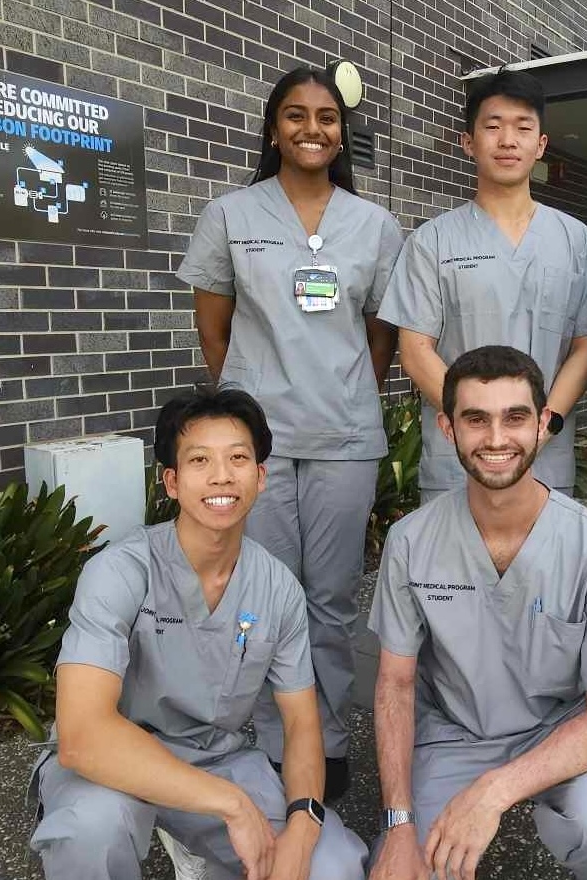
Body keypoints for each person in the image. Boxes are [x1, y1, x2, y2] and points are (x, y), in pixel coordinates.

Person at [176, 66, 405, 800]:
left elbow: (382, 335)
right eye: (297, 115)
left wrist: (347, 392)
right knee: (267, 594)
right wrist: (249, 405)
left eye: (327, 117)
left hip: (344, 438)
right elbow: (214, 332)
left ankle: (327, 739)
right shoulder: (231, 215)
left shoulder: (374, 226)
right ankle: (274, 740)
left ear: (342, 132)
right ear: (274, 129)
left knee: (331, 599)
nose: (313, 128)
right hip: (259, 443)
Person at [29, 387, 368, 880]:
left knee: (331, 866)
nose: (221, 475)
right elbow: (82, 737)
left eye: (238, 458)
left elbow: (301, 725)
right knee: (89, 830)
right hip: (115, 757)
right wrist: (231, 804)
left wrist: (304, 822)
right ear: (171, 482)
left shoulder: (278, 590)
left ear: (260, 477)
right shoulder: (120, 571)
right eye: (199, 460)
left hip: (214, 757)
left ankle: (205, 842)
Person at [368, 346, 587, 880]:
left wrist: (494, 791)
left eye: (515, 417)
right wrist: (399, 821)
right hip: (456, 731)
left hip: (565, 727)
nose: (497, 438)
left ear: (543, 424)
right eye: (476, 419)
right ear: (448, 428)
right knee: (407, 867)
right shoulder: (411, 542)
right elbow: (395, 684)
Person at [378, 68, 587, 504]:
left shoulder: (577, 243)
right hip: (457, 455)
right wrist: (476, 425)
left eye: (523, 128)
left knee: (542, 550)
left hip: (545, 453)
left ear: (541, 144)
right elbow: (415, 350)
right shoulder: (432, 242)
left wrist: (544, 426)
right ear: (468, 142)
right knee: (450, 549)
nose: (508, 140)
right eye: (493, 126)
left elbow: (586, 346)